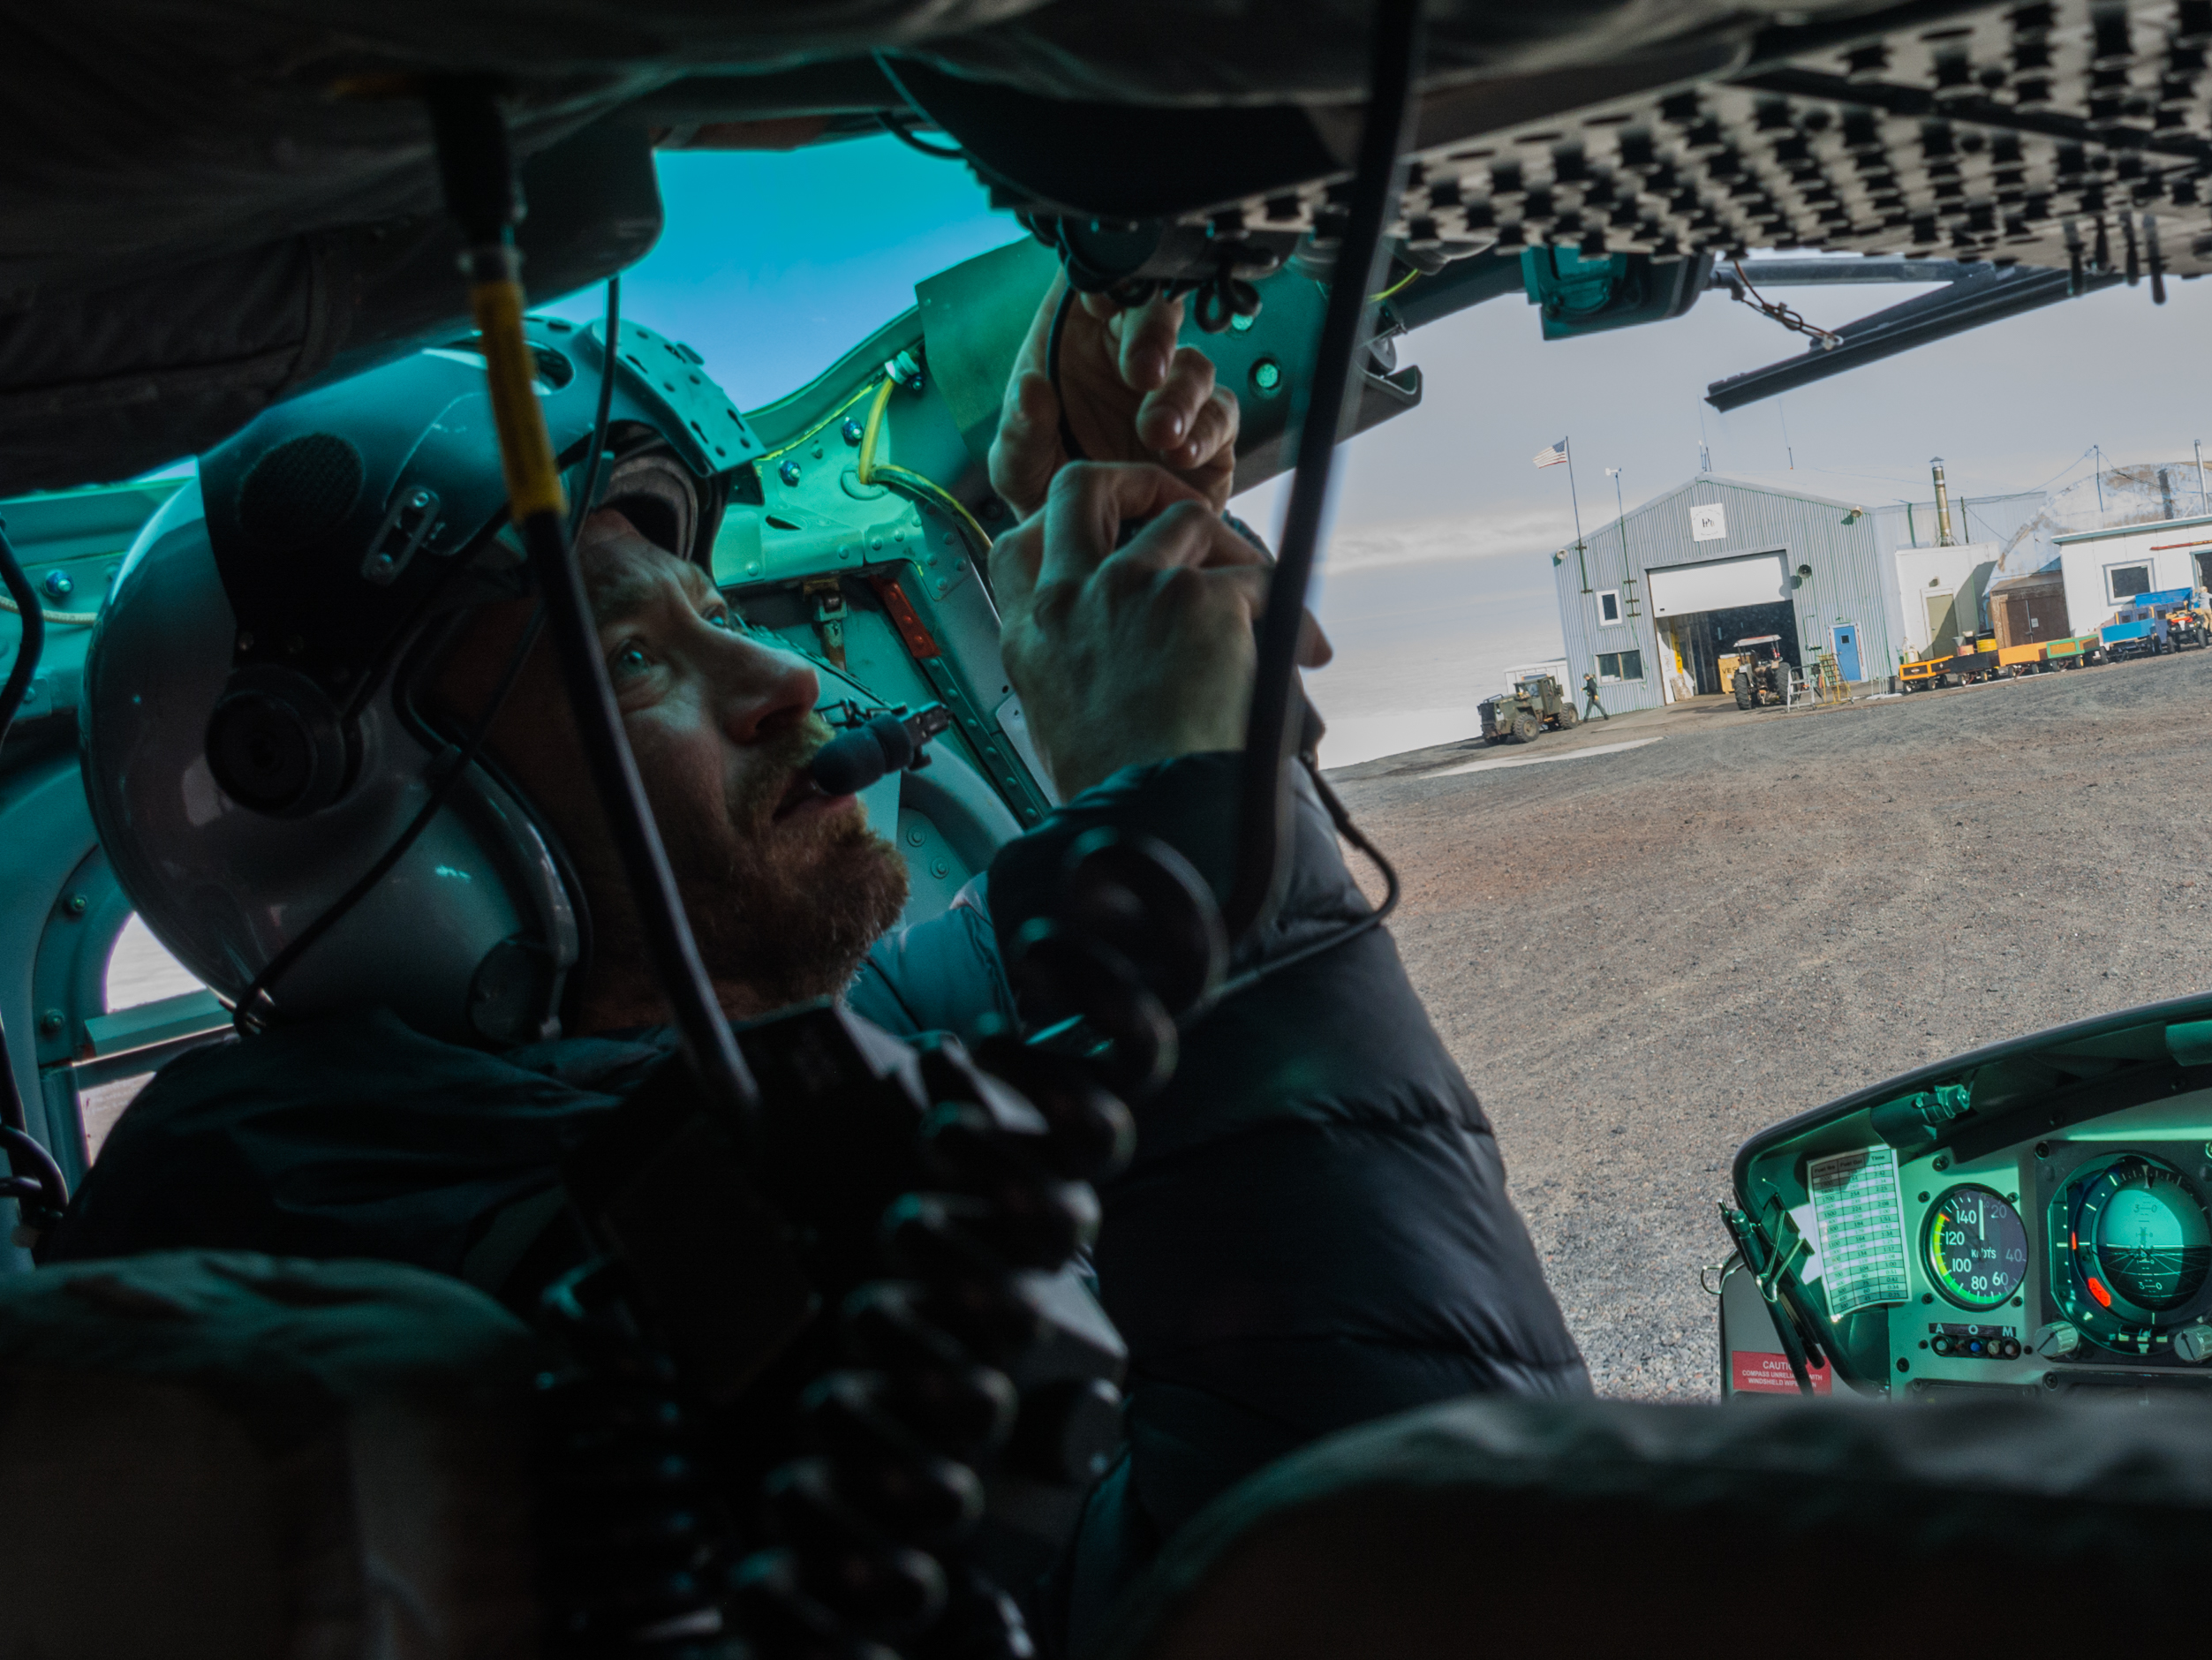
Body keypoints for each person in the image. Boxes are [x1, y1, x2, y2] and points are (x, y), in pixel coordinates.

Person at [48, 279, 1585, 1647]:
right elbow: (1470, 1567)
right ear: (378, 819)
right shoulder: (482, 1284)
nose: (786, 679)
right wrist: (1176, 798)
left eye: (720, 613)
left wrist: (1074, 543)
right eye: (634, 658)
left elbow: (1094, 980)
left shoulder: (680, 1077)